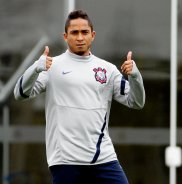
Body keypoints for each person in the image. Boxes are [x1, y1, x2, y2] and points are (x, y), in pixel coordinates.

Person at [14, 10, 145, 184]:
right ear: (65, 36)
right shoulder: (51, 66)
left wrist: (135, 76)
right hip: (66, 161)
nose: (80, 37)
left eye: (84, 32)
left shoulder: (107, 69)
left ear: (93, 35)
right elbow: (20, 94)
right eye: (74, 32)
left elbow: (137, 102)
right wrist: (35, 68)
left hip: (103, 158)